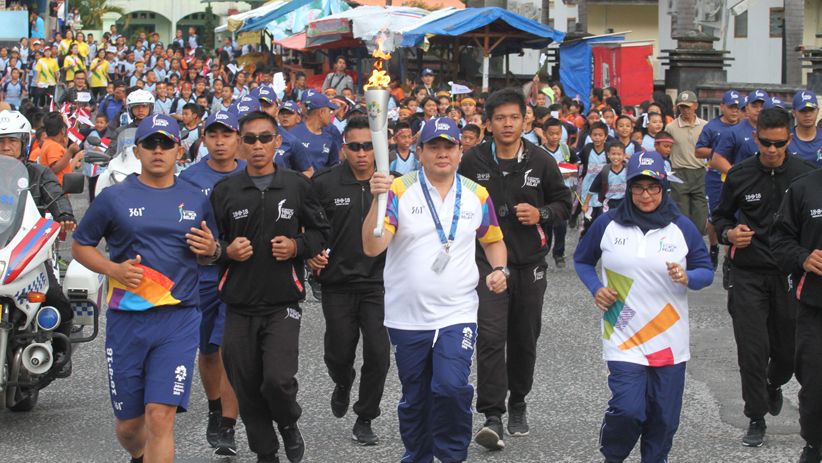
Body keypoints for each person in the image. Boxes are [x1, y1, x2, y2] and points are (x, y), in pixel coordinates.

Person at [72, 114, 219, 463]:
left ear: (178, 151)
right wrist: (112, 269)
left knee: (159, 415)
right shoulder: (113, 198)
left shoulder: (196, 198)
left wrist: (211, 249)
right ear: (136, 151)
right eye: (150, 144)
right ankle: (139, 455)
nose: (158, 150)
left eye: (166, 144)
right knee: (128, 426)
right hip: (128, 321)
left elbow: (212, 252)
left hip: (179, 319)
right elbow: (81, 245)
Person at [362, 116, 507, 462]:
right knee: (416, 396)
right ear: (420, 152)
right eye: (434, 147)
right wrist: (376, 201)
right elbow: (372, 247)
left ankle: (452, 454)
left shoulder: (477, 195)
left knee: (452, 387)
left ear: (460, 151)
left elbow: (493, 240)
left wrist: (500, 269)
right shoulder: (399, 190)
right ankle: (418, 455)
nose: (442, 153)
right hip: (406, 316)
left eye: (449, 146)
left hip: (457, 312)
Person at [574, 150, 713, 463]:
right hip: (623, 333)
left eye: (653, 187)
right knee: (628, 409)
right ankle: (613, 455)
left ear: (663, 187)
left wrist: (687, 276)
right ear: (628, 188)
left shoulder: (682, 227)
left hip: (669, 338)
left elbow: (706, 272)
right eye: (638, 187)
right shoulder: (608, 223)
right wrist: (597, 289)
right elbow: (582, 260)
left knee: (664, 417)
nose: (646, 195)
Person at [210, 110, 330, 463]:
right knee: (246, 388)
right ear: (240, 144)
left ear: (278, 142)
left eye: (266, 138)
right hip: (238, 304)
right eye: (250, 139)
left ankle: (289, 424)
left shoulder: (296, 185)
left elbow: (323, 232)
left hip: (283, 303)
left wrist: (297, 247)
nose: (258, 145)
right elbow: (208, 245)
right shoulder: (225, 191)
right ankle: (266, 453)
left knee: (277, 380)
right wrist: (226, 252)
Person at [459, 89, 571, 450]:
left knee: (524, 339)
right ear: (487, 124)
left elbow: (564, 203)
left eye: (514, 117)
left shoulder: (542, 161)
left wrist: (542, 215)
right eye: (500, 118)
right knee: (491, 337)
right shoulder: (472, 161)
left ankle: (518, 400)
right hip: (487, 265)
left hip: (528, 264)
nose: (507, 124)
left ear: (526, 120)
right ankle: (492, 414)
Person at [711, 108, 816, 448]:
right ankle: (756, 416)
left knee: (787, 351)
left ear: (789, 138)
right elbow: (721, 217)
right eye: (766, 143)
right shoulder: (740, 175)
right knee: (752, 349)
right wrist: (729, 234)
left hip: (789, 275)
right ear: (756, 138)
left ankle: (774, 383)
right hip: (748, 273)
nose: (772, 150)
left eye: (780, 143)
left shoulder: (805, 176)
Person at [307, 116, 391, 446]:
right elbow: (309, 227)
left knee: (378, 354)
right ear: (344, 149)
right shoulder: (325, 183)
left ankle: (366, 416)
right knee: (339, 354)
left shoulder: (391, 183)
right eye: (354, 147)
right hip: (337, 284)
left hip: (379, 285)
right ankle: (342, 382)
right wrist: (312, 253)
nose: (361, 153)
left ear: (376, 149)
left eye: (368, 147)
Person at [178, 111, 244, 457]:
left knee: (231, 348)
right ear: (203, 139)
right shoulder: (190, 178)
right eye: (213, 134)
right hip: (202, 275)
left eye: (227, 134)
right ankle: (215, 407)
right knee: (209, 351)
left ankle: (229, 424)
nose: (220, 142)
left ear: (238, 138)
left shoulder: (251, 174)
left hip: (240, 274)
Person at [0, 110, 76, 375]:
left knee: (56, 298)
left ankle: (59, 353)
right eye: (0, 141)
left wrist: (64, 214)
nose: (6, 147)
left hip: (27, 249)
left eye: (12, 141)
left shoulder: (37, 173)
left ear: (24, 143)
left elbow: (55, 194)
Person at [771, 149, 822, 463]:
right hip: (815, 306)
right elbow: (779, 241)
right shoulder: (804, 188)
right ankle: (815, 445)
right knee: (816, 385)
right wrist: (803, 257)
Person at [695, 89, 742, 269]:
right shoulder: (712, 127)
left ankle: (731, 253)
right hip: (716, 179)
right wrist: (719, 152)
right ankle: (714, 247)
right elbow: (699, 150)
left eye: (738, 108)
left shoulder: (744, 128)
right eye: (731, 107)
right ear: (722, 107)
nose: (734, 111)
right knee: (715, 215)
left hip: (737, 177)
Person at [666, 90, 708, 235]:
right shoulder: (671, 127)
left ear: (695, 105)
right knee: (681, 215)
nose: (685, 110)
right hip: (679, 173)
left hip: (699, 172)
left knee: (701, 216)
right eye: (682, 107)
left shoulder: (705, 126)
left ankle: (696, 243)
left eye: (688, 106)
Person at [542, 117, 578, 268]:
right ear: (545, 134)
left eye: (558, 134)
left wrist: (571, 171)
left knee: (561, 224)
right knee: (546, 224)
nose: (554, 137)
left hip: (564, 191)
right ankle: (543, 252)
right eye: (551, 134)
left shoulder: (566, 149)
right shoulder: (540, 151)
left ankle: (559, 254)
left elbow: (575, 164)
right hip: (546, 193)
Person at [288, 90, 341, 173]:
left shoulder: (330, 137)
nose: (331, 115)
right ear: (321, 112)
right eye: (329, 111)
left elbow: (334, 167)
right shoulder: (293, 134)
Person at [38, 112, 82, 186]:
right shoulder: (53, 146)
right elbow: (55, 168)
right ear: (62, 130)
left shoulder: (49, 144)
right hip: (56, 191)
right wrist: (70, 152)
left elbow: (65, 168)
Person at [586, 140, 627, 217]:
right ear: (608, 155)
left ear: (624, 156)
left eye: (619, 154)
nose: (616, 157)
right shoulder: (605, 171)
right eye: (613, 154)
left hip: (624, 202)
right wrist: (586, 204)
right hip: (609, 203)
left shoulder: (628, 170)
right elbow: (593, 188)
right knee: (607, 222)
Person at [788, 90, 822, 168]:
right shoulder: (786, 138)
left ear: (817, 111)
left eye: (811, 110)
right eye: (803, 111)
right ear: (794, 113)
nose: (808, 115)